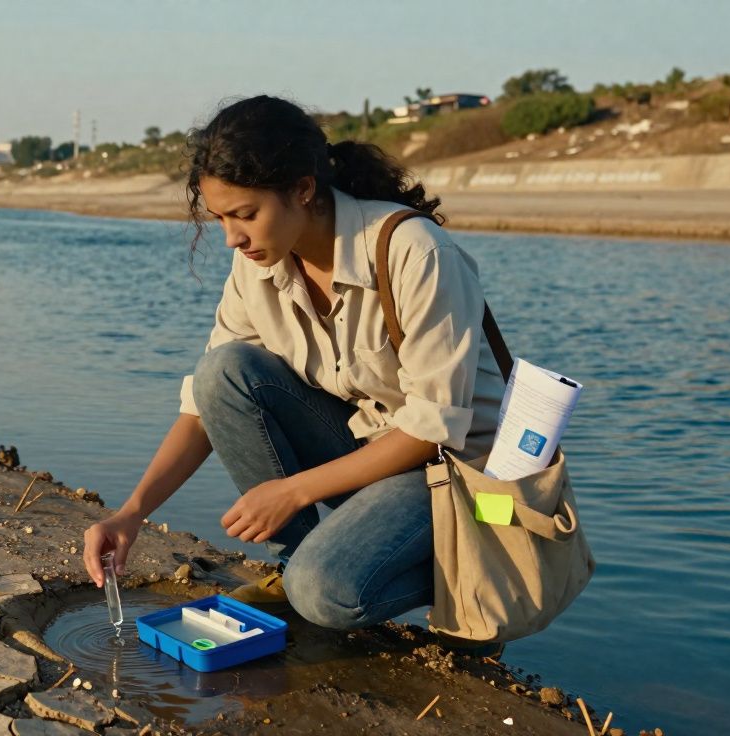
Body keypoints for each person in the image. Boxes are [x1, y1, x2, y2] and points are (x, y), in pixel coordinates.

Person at [82, 95, 507, 632]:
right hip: (373, 452)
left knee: (323, 593)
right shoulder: (258, 264)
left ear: (303, 190)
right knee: (223, 372)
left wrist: (293, 490)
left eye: (245, 215)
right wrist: (131, 513)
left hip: (457, 477)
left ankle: (469, 582)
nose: (233, 237)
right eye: (220, 218)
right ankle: (302, 565)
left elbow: (430, 430)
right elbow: (204, 406)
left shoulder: (414, 252)